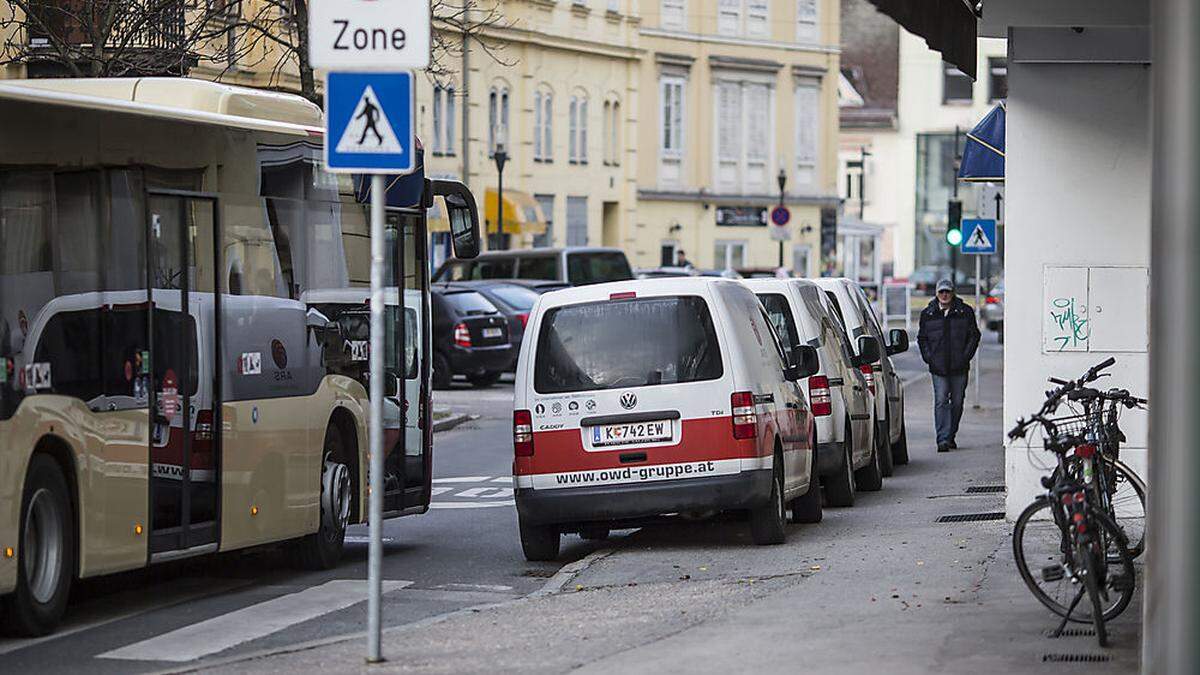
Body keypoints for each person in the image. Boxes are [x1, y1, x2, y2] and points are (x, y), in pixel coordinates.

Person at [917, 278, 981, 453]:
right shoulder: (928, 313)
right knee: (941, 400)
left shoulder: (965, 312)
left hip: (959, 366)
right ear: (936, 294)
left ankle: (951, 434)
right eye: (941, 292)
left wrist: (965, 356)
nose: (944, 295)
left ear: (953, 293)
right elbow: (922, 339)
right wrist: (929, 358)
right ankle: (943, 439)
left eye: (947, 292)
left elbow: (974, 335)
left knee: (958, 402)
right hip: (938, 367)